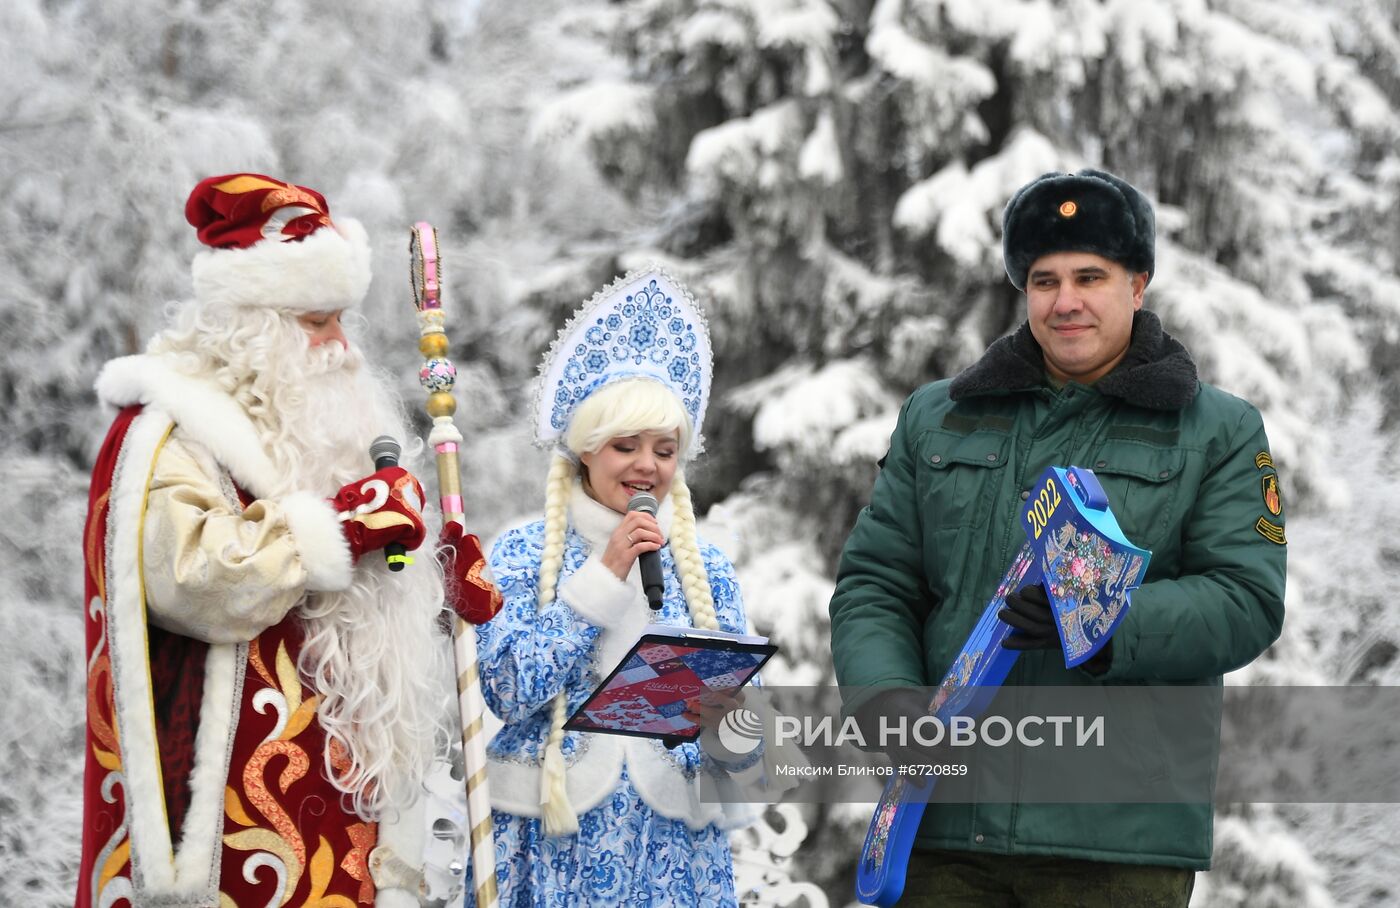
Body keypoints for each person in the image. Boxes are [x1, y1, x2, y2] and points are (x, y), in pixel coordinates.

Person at [829, 169, 1287, 906]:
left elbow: (1245, 600)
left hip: (1115, 842)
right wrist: (886, 700)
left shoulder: (1220, 431)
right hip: (941, 828)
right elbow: (877, 583)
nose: (1065, 301)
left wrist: (1108, 624)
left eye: (1090, 277)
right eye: (1044, 280)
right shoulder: (938, 418)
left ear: (1138, 285)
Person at [78, 173, 500, 907]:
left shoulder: (317, 429)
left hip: (339, 813)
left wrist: (428, 577)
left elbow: (354, 606)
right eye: (316, 323)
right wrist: (340, 528)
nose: (341, 346)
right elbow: (192, 575)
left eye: (341, 319)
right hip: (227, 832)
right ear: (250, 326)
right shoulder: (168, 435)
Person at [465, 269, 761, 906]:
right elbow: (506, 686)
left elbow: (745, 732)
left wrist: (723, 714)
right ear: (586, 450)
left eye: (663, 448)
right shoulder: (520, 551)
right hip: (554, 839)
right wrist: (602, 578)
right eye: (626, 446)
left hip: (672, 851)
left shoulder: (705, 565)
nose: (646, 465)